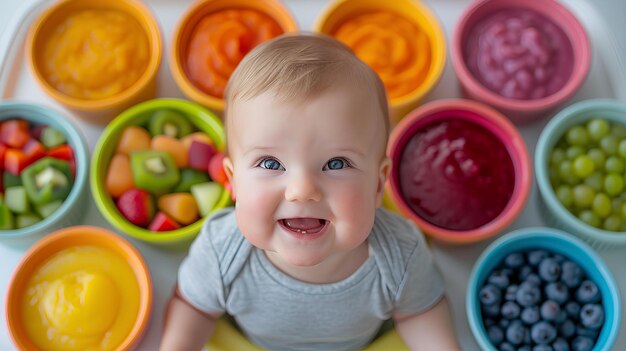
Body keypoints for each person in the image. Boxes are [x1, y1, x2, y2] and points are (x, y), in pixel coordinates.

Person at [160, 33, 460, 351]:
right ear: (233, 182)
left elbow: (421, 311)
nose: (302, 191)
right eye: (271, 163)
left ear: (377, 184)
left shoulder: (401, 254)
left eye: (336, 163)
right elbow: (192, 306)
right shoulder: (221, 252)